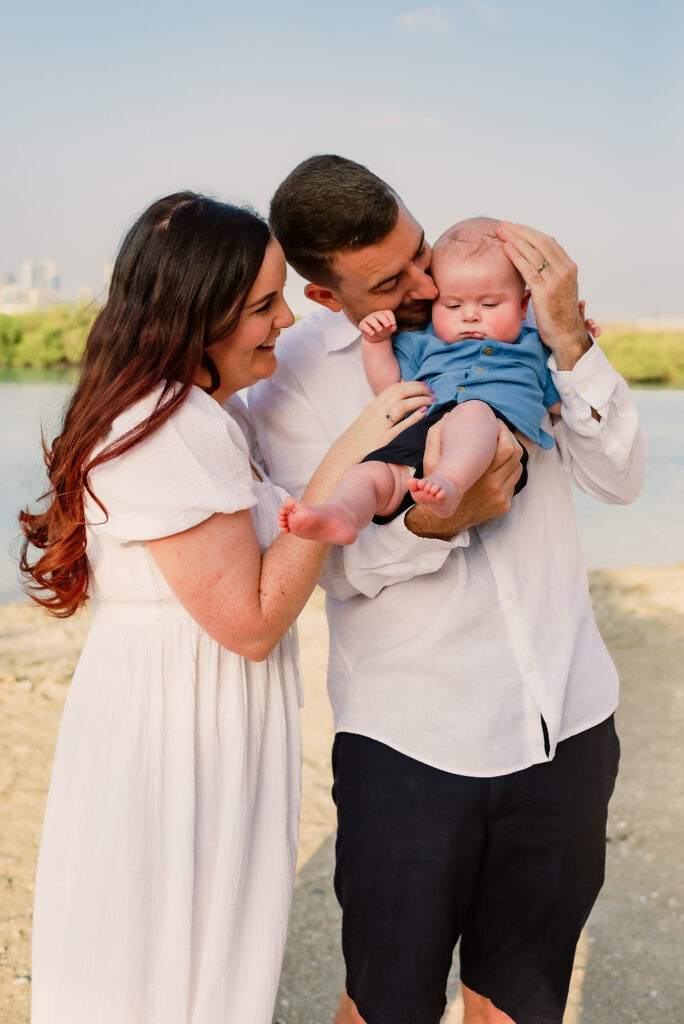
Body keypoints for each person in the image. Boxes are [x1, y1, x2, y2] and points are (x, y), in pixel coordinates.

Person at [249, 155, 646, 1024]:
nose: (431, 284)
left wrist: (574, 343)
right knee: (385, 1004)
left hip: (565, 719)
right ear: (328, 298)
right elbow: (331, 563)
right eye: (396, 278)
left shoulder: (515, 325)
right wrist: (433, 525)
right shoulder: (291, 383)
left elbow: (620, 482)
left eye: (420, 248)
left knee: (522, 1003)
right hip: (410, 743)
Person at [19, 191, 432, 1024]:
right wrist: (348, 452)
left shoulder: (205, 413)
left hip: (192, 717)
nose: (283, 320)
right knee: (162, 963)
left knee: (183, 955)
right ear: (191, 320)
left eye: (280, 296)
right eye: (260, 306)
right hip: (176, 732)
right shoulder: (165, 425)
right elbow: (249, 622)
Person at [279, 216, 562, 544]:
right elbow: (391, 388)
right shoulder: (424, 341)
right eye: (452, 305)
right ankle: (340, 514)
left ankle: (450, 481)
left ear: (523, 304)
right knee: (372, 473)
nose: (470, 315)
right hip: (422, 432)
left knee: (472, 414)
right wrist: (376, 343)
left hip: (494, 441)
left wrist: (575, 338)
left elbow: (559, 401)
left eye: (489, 304)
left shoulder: (534, 346)